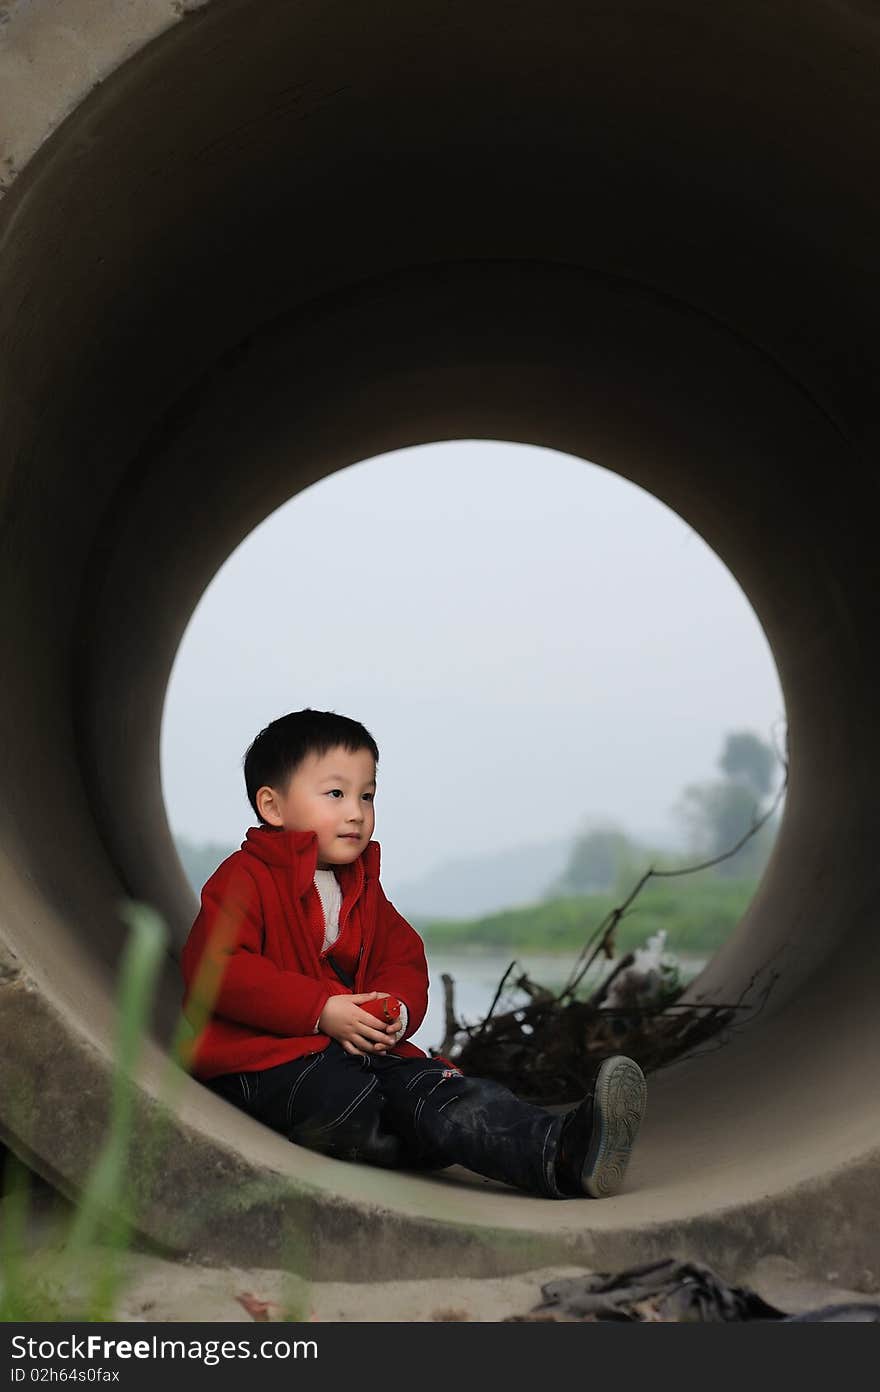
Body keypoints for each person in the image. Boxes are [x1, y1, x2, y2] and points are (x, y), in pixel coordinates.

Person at [179, 708, 647, 1199]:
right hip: (263, 1064)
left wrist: (397, 1009)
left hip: (353, 1054)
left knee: (435, 1085)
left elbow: (402, 957)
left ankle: (563, 1151)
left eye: (367, 795)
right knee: (350, 1099)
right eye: (336, 794)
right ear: (273, 807)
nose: (356, 812)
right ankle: (422, 1136)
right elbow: (218, 968)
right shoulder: (244, 878)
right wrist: (319, 1010)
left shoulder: (361, 886)